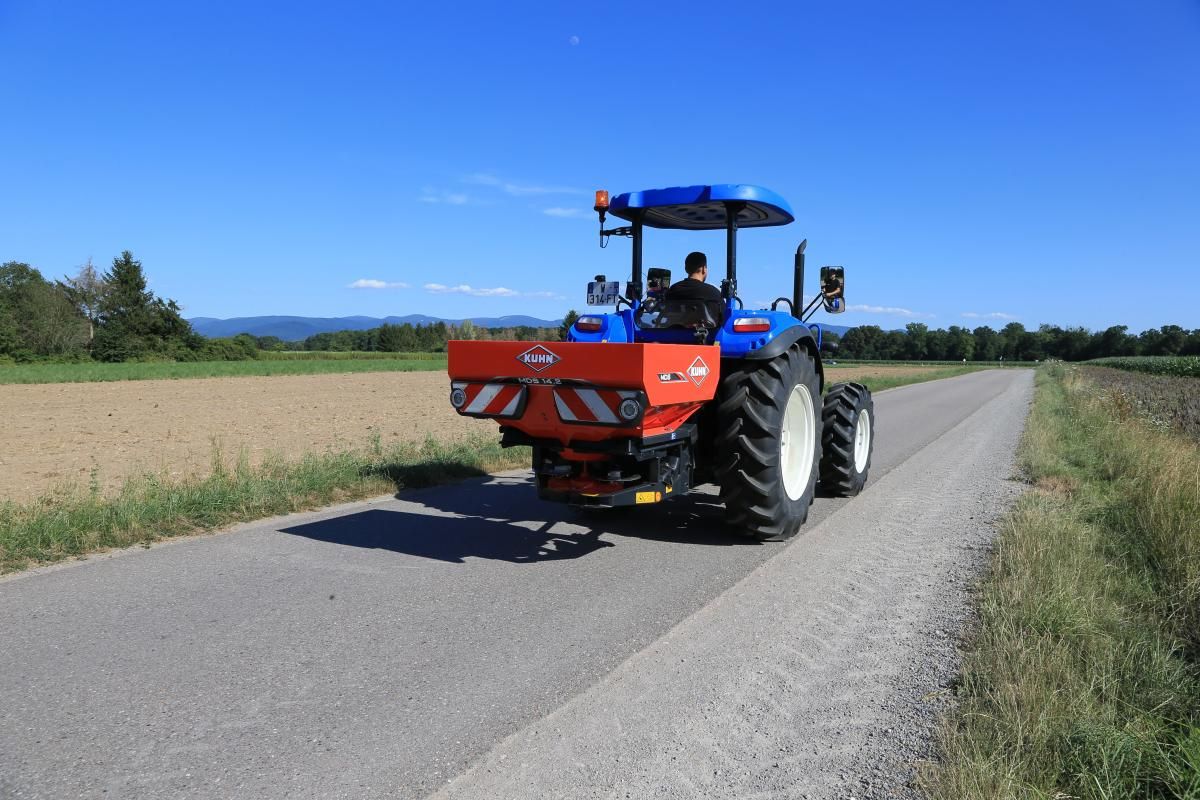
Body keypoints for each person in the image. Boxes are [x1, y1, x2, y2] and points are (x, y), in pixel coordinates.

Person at [664, 251, 724, 327]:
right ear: (703, 269)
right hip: (705, 338)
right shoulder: (714, 293)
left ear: (686, 269)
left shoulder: (672, 291)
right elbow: (723, 321)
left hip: (673, 337)